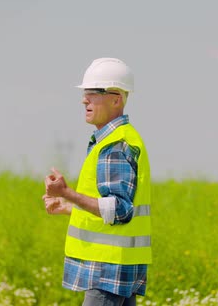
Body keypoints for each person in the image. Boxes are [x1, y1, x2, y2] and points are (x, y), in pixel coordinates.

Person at [42, 57, 152, 306]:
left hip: (106, 271)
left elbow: (120, 210)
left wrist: (68, 193)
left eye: (94, 92)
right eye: (85, 92)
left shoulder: (115, 145)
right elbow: (114, 210)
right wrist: (70, 208)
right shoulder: (115, 140)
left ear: (116, 99)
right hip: (115, 268)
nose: (84, 99)